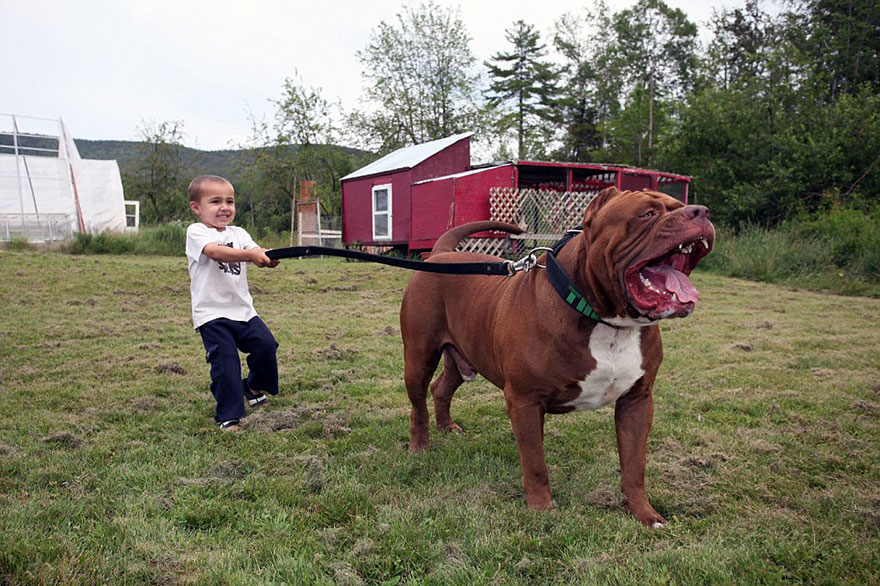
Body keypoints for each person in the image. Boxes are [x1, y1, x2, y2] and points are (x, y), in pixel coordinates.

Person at [185, 175, 281, 432]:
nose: (225, 207)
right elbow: (215, 252)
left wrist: (267, 257)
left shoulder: (239, 233)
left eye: (230, 201)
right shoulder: (197, 232)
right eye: (215, 201)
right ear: (197, 207)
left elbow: (255, 249)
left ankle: (252, 386)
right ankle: (229, 416)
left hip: (243, 310)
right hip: (212, 314)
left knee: (266, 345)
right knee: (226, 363)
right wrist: (250, 255)